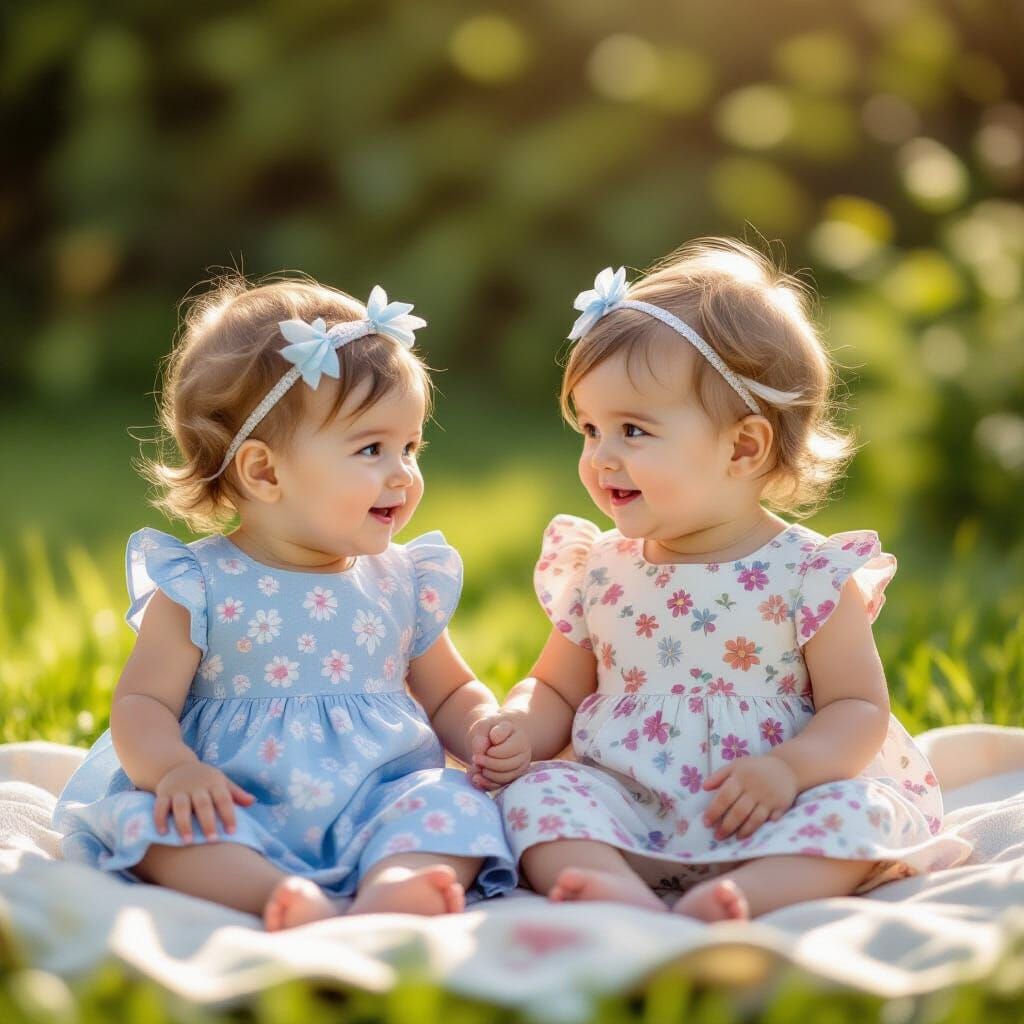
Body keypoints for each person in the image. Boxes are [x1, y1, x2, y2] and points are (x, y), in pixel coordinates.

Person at [478, 241, 971, 921]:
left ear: (743, 447)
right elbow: (559, 686)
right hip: (630, 803)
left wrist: (790, 770)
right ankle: (608, 883)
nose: (601, 457)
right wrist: (517, 728)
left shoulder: (808, 573)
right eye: (590, 429)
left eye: (632, 430)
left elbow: (857, 708)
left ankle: (746, 894)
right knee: (538, 797)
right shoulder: (603, 568)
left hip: (774, 807)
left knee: (859, 811)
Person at [54, 274, 517, 929]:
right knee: (154, 826)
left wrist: (482, 730)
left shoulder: (402, 578)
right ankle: (272, 893)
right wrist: (174, 771)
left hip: (378, 796)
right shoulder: (200, 583)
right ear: (265, 472)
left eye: (410, 447)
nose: (403, 474)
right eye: (371, 449)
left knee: (455, 805)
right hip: (236, 799)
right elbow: (142, 703)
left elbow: (449, 692)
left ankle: (398, 879)